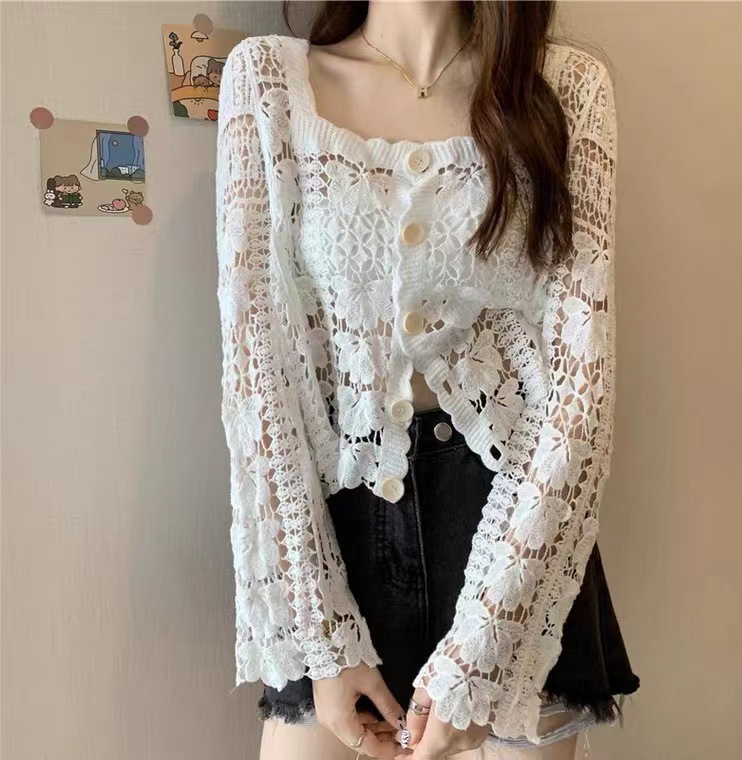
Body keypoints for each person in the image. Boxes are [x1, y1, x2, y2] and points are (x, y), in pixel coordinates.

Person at [214, 2, 640, 759]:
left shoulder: (566, 88)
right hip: (337, 544)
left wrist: (486, 650)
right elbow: (259, 381)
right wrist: (322, 636)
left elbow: (581, 391)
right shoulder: (269, 82)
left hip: (517, 550)